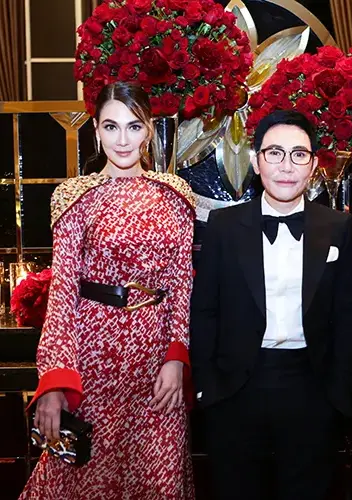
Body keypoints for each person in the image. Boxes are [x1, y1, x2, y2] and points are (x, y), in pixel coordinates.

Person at [20, 82, 195, 499]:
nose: (123, 140)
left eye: (134, 126)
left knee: (157, 478)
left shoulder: (174, 193)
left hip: (155, 361)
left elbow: (181, 283)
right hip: (93, 356)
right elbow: (63, 292)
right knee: (87, 479)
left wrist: (176, 356)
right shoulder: (74, 196)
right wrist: (55, 380)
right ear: (96, 130)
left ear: (148, 129)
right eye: (111, 127)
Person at [190, 110, 352, 500]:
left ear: (313, 165)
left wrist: (337, 392)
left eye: (299, 154)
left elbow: (346, 315)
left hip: (311, 387)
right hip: (236, 390)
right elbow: (204, 311)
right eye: (275, 153)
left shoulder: (336, 226)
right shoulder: (224, 226)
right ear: (256, 161)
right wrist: (207, 389)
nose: (286, 166)